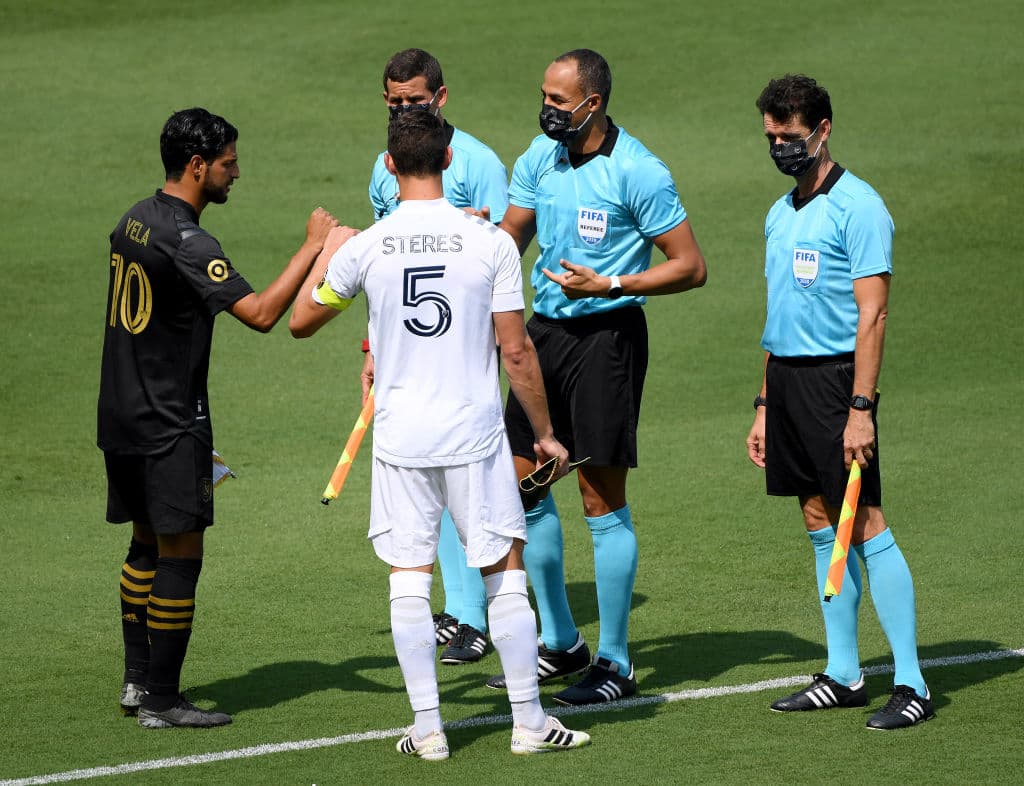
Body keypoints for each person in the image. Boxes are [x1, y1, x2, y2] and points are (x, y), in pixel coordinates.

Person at [289, 111, 590, 759]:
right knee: (502, 573)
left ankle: (428, 729)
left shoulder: (367, 246)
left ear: (390, 166)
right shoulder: (491, 244)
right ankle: (530, 723)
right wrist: (544, 433)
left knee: (408, 575)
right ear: (450, 160)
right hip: (476, 436)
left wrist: (324, 250)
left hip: (401, 439)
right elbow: (517, 352)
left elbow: (301, 321)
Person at [98, 107, 338, 728]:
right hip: (170, 422)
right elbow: (260, 314)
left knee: (143, 545)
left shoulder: (134, 218)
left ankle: (135, 680)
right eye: (229, 162)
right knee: (181, 555)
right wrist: (314, 247)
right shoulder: (188, 239)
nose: (238, 172)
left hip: (121, 415)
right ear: (198, 166)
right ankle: (163, 699)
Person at [492, 49, 707, 705]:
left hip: (607, 339)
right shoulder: (539, 157)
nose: (547, 109)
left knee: (597, 497)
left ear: (593, 103)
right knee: (517, 488)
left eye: (559, 100)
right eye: (545, 97)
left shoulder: (639, 172)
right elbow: (511, 238)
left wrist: (612, 281)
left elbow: (690, 265)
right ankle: (562, 643)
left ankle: (615, 664)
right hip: (544, 338)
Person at [745, 74, 934, 730]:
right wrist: (765, 404)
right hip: (790, 386)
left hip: (836, 386)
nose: (780, 148)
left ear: (823, 130)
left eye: (791, 137)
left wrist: (861, 406)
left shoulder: (860, 207)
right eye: (771, 137)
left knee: (866, 519)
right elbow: (778, 314)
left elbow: (873, 316)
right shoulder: (779, 213)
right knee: (819, 518)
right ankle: (844, 673)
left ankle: (911, 682)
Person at [365, 47, 509, 665]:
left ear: (441, 98)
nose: (405, 110)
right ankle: (463, 608)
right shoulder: (384, 167)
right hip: (407, 351)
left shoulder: (476, 161)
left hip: (467, 345)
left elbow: (505, 251)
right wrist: (370, 350)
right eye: (395, 102)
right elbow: (381, 271)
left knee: (462, 477)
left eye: (415, 100)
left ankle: (476, 613)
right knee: (431, 473)